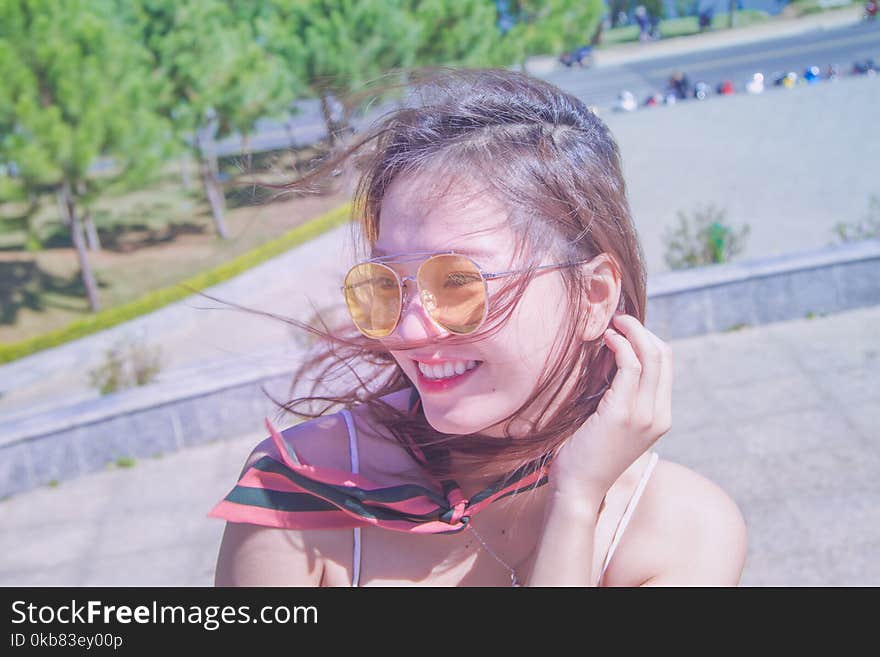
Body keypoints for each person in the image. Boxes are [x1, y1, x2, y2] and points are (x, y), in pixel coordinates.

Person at [211, 67, 747, 587]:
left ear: (593, 294)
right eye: (386, 285)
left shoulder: (685, 531)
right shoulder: (306, 490)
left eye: (459, 282)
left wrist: (574, 502)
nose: (409, 331)